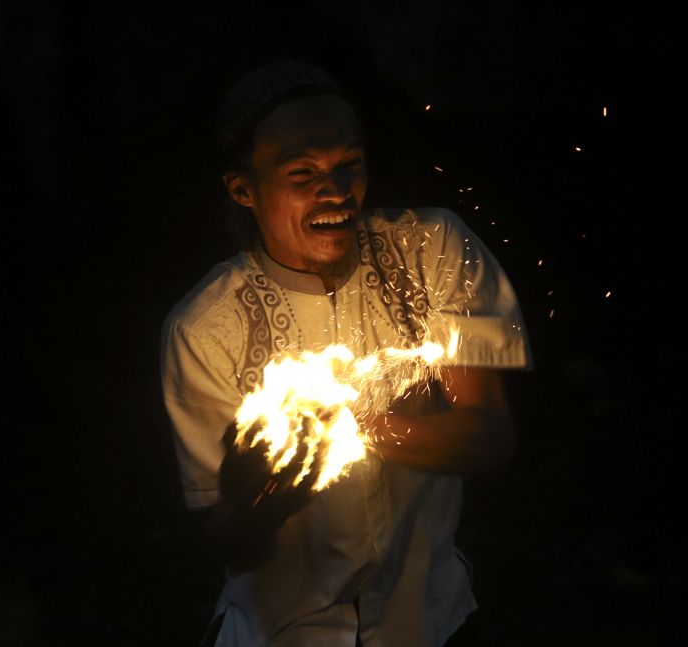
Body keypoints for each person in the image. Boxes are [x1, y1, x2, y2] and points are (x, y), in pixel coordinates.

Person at [160, 61, 532, 647]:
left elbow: (490, 439)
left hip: (430, 622)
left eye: (348, 165)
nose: (334, 192)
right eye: (301, 172)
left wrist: (354, 426)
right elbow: (224, 538)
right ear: (242, 188)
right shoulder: (207, 328)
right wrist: (257, 502)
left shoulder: (430, 253)